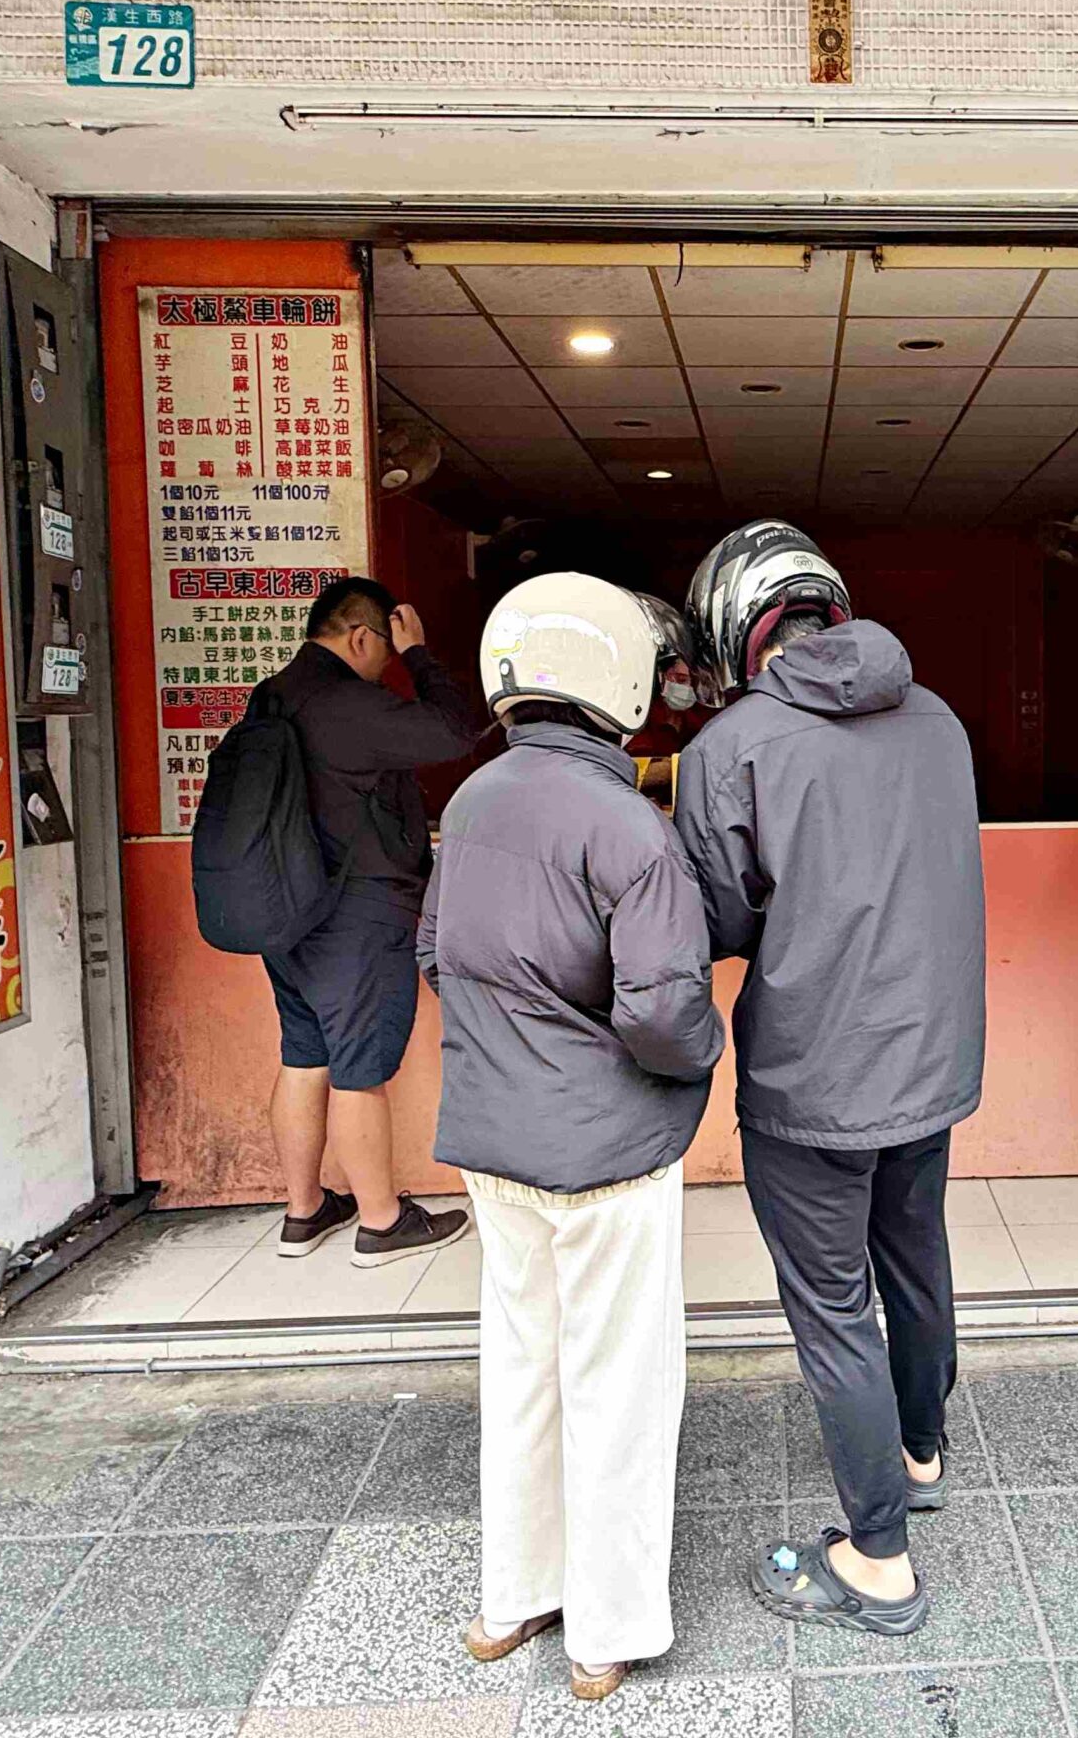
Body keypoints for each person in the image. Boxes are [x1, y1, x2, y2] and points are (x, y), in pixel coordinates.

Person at [672, 520, 983, 1639]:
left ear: (731, 629)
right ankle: (919, 1448)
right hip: (932, 1056)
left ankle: (879, 1559)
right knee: (914, 1256)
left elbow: (719, 920)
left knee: (833, 1307)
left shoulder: (730, 747)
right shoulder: (937, 718)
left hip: (813, 1071)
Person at [419, 573, 725, 1703]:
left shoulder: (470, 804)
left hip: (493, 1142)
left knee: (523, 1368)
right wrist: (699, 1055)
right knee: (620, 1385)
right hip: (608, 1153)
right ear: (623, 688)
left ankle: (514, 1598)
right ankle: (605, 1629)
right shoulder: (629, 826)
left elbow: (433, 957)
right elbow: (661, 1012)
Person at [256, 574, 482, 1265]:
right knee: (359, 1067)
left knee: (304, 1056)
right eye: (383, 645)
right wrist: (421, 658)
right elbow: (455, 731)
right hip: (354, 911)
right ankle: (381, 1224)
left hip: (285, 907)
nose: (386, 661)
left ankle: (304, 1211)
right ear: (362, 635)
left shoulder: (275, 695)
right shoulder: (346, 701)